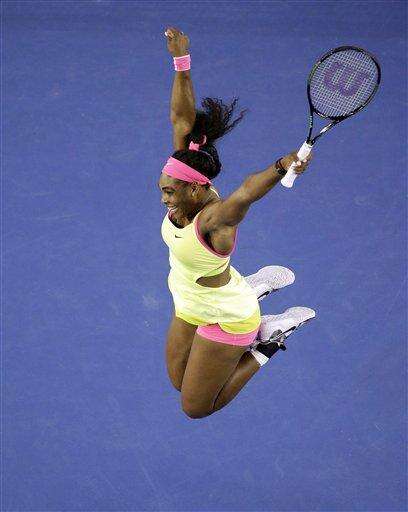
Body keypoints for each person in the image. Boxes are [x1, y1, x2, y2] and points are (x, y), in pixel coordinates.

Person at [160, 27, 315, 419]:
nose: (164, 199)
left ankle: (269, 337)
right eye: (163, 189)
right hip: (190, 298)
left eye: (170, 192)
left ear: (195, 189)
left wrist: (282, 165)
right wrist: (181, 61)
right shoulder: (187, 178)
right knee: (178, 380)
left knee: (195, 405)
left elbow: (246, 193)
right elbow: (181, 118)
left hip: (229, 317)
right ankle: (253, 286)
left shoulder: (215, 221)